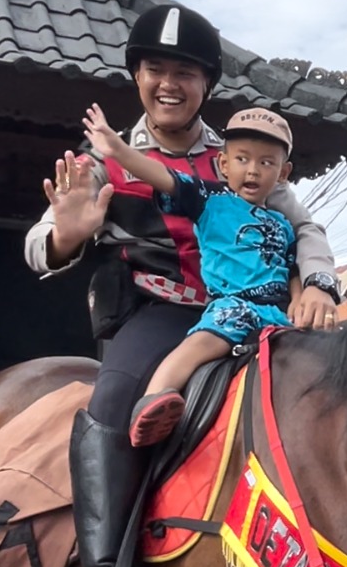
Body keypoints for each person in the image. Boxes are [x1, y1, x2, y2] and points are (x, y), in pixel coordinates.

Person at [23, 3, 342, 567]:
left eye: (185, 72)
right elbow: (36, 245)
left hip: (259, 308)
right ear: (137, 75)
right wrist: (65, 236)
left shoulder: (241, 159)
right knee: (112, 403)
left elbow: (304, 226)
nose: (170, 82)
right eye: (155, 68)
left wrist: (317, 283)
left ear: (206, 84)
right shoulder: (103, 158)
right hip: (164, 315)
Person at [77, 102, 299, 446]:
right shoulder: (211, 200)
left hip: (275, 316)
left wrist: (302, 298)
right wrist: (117, 150)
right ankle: (154, 398)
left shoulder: (283, 225)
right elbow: (161, 177)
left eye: (266, 162)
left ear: (283, 174)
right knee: (204, 342)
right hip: (233, 306)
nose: (253, 170)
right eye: (242, 159)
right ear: (223, 164)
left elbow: (291, 267)